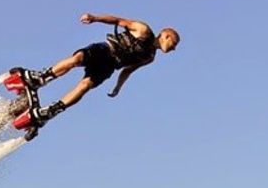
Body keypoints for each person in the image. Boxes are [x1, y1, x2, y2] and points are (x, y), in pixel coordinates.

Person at [13, 13, 180, 128]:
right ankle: (40, 78)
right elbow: (118, 20)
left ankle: (50, 111)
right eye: (173, 44)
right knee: (77, 59)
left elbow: (128, 71)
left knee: (85, 86)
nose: (173, 49)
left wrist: (118, 87)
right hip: (106, 50)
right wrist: (95, 18)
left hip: (109, 67)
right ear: (165, 35)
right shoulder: (143, 30)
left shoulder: (150, 57)